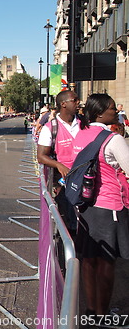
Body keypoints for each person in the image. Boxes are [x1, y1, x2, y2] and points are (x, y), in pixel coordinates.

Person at [70, 93, 129, 320]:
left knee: (88, 259)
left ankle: (91, 311)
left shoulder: (80, 134)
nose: (116, 112)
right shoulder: (112, 138)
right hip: (110, 206)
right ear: (100, 113)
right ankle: (103, 315)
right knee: (106, 262)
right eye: (112, 109)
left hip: (86, 206)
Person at [37, 90, 81, 233]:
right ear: (63, 104)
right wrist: (58, 165)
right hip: (64, 182)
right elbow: (41, 156)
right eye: (74, 100)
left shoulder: (84, 123)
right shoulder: (51, 128)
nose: (78, 103)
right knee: (69, 219)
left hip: (86, 180)